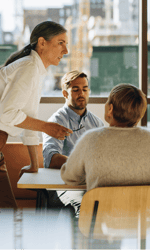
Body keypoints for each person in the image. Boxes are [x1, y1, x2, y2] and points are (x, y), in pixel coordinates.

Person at [0, 21, 73, 209]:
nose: (66, 50)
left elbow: (28, 119)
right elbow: (8, 114)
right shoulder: (29, 67)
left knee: (8, 215)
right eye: (61, 43)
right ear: (42, 43)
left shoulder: (35, 70)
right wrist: (47, 127)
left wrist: (35, 165)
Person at [61, 83, 150, 193]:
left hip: (103, 219)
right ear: (140, 113)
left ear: (110, 109)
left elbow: (70, 177)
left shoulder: (91, 139)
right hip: (146, 219)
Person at [42, 70, 104, 210]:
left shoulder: (97, 123)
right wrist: (83, 166)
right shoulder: (56, 121)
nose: (81, 94)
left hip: (93, 183)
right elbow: (51, 159)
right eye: (75, 90)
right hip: (65, 185)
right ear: (65, 93)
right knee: (85, 205)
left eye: (85, 89)